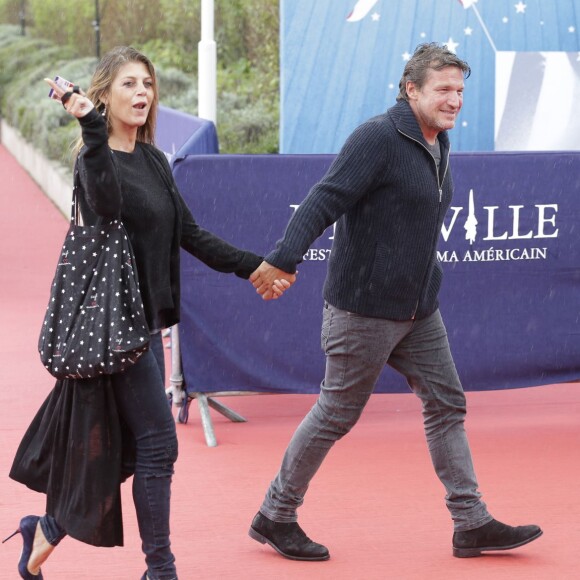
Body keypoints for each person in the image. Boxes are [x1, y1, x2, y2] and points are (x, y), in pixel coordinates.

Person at [248, 43, 542, 561]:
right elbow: (325, 197)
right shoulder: (378, 137)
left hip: (418, 309)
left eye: (459, 91)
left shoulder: (438, 140)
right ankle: (276, 513)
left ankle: (470, 522)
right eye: (443, 90)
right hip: (363, 309)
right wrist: (283, 257)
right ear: (412, 90)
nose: (454, 101)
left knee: (447, 403)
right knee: (337, 412)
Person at [4, 46, 287, 580]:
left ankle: (44, 530)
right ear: (104, 93)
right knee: (157, 445)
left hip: (143, 328)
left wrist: (255, 267)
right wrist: (89, 128)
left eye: (148, 85)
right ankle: (161, 570)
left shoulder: (155, 160)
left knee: (125, 450)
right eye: (129, 84)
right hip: (112, 328)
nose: (142, 94)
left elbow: (190, 233)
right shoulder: (94, 161)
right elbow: (106, 205)